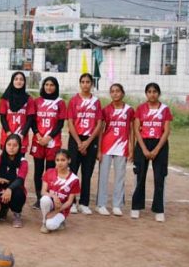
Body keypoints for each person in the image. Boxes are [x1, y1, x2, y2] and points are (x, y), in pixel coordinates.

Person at [132, 83, 172, 222]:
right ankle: (136, 207)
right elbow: (136, 129)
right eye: (149, 91)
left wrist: (156, 149)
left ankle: (159, 209)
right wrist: (143, 149)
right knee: (140, 176)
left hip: (159, 144)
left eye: (155, 91)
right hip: (143, 143)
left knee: (159, 177)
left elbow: (166, 131)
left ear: (158, 93)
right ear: (146, 94)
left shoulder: (165, 109)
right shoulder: (141, 108)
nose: (152, 94)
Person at [67, 73, 103, 215]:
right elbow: (70, 122)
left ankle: (84, 203)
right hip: (76, 139)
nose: (85, 84)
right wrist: (79, 142)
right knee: (73, 173)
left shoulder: (96, 101)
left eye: (88, 82)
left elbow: (99, 123)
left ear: (92, 84)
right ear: (80, 83)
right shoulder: (74, 100)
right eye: (83, 82)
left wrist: (87, 142)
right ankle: (72, 203)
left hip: (90, 139)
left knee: (87, 173)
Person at [97, 83, 134, 216]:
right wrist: (99, 150)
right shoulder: (106, 110)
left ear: (122, 93)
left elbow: (131, 130)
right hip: (107, 146)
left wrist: (131, 148)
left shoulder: (129, 110)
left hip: (122, 146)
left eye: (118, 91)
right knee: (103, 176)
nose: (115, 93)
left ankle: (117, 205)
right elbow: (101, 131)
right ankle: (101, 204)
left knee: (120, 177)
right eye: (112, 91)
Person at [30, 77, 66, 210]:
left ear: (56, 87)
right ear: (43, 86)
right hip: (38, 141)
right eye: (46, 84)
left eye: (52, 85)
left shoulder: (60, 103)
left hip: (53, 142)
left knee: (50, 172)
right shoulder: (37, 101)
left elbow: (60, 123)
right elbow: (32, 121)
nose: (49, 87)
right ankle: (39, 199)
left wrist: (49, 137)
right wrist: (39, 135)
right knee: (38, 171)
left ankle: (49, 199)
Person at [0, 134, 28, 228]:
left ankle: (17, 214)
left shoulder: (23, 162)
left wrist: (9, 189)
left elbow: (20, 180)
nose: (11, 148)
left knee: (19, 193)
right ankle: (4, 209)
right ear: (5, 146)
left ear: (19, 147)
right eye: (9, 144)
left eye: (15, 145)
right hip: (0, 191)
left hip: (14, 191)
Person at [40, 150, 80, 233]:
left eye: (63, 160)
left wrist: (56, 212)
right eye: (57, 160)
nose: (59, 163)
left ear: (69, 160)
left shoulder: (74, 179)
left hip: (62, 208)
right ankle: (44, 222)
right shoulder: (49, 172)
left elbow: (69, 202)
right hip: (51, 204)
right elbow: (43, 191)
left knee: (51, 225)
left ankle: (61, 220)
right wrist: (54, 196)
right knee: (44, 199)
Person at [0, 71, 35, 154]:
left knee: (20, 163)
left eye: (21, 79)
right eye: (16, 79)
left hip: (21, 136)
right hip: (7, 135)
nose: (19, 81)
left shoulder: (29, 99)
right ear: (12, 81)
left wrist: (22, 134)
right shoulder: (5, 99)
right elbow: (2, 117)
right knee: (6, 163)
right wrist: (8, 133)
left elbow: (30, 119)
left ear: (24, 82)